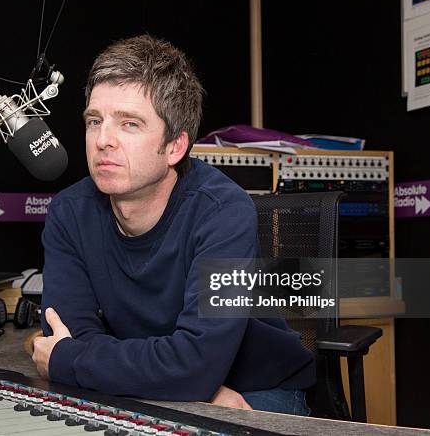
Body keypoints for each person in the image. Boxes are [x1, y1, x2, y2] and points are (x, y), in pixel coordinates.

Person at [32, 35, 314, 415]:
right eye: (94, 121)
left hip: (257, 387)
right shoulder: (69, 212)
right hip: (150, 384)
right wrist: (192, 384)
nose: (103, 140)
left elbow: (69, 356)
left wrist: (192, 379)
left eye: (129, 124)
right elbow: (69, 338)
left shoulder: (223, 211)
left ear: (175, 147)